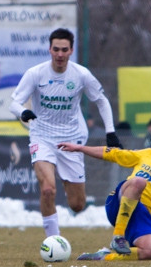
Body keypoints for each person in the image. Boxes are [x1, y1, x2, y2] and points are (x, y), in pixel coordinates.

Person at [9, 28, 121, 239]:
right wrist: (23, 112)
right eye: (56, 49)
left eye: (64, 50)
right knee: (47, 190)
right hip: (42, 136)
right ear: (49, 49)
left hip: (72, 139)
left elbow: (101, 101)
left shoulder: (81, 74)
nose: (60, 54)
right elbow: (14, 102)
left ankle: (64, 178)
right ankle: (53, 241)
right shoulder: (36, 73)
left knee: (77, 205)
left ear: (71, 51)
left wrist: (110, 132)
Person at [59, 132, 151, 262]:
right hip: (118, 203)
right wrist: (79, 148)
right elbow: (114, 154)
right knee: (139, 182)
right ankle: (118, 236)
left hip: (139, 219)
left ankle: (105, 256)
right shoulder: (148, 154)